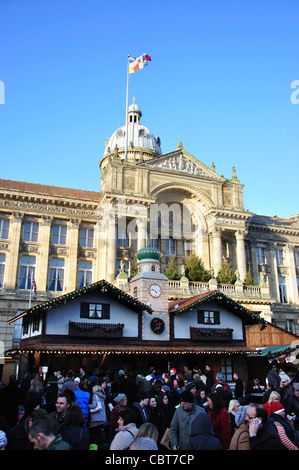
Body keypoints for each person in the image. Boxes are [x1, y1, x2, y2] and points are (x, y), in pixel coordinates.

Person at [88, 384, 108, 449]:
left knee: (93, 432)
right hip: (102, 417)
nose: (92, 391)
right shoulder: (102, 396)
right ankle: (100, 446)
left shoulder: (95, 395)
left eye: (93, 389)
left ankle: (94, 447)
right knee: (98, 432)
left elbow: (94, 405)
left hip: (96, 418)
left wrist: (87, 405)